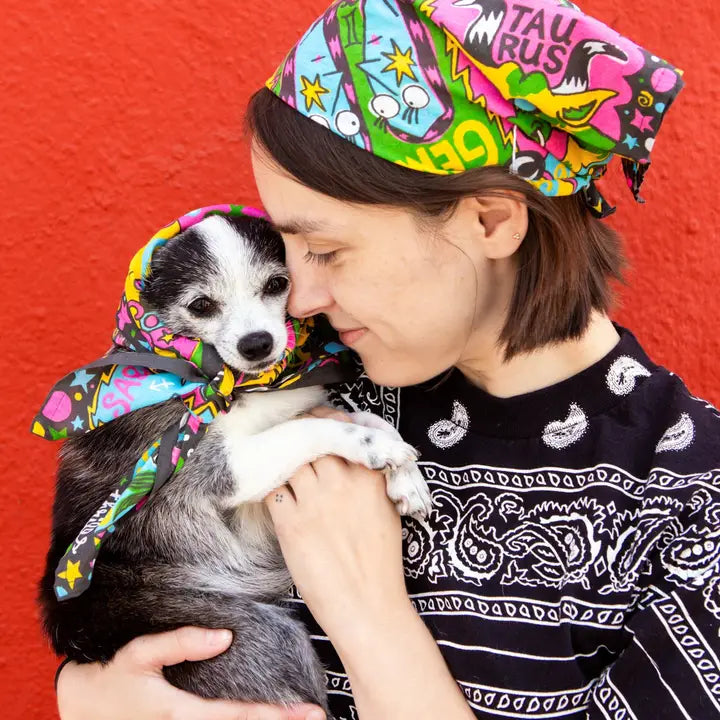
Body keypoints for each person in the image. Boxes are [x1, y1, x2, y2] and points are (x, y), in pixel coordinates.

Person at [55, 0, 720, 718]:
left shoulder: (691, 507)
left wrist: (366, 610)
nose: (299, 301)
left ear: (491, 220)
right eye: (287, 256)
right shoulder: (331, 396)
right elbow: (128, 592)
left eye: (329, 251)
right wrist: (95, 695)